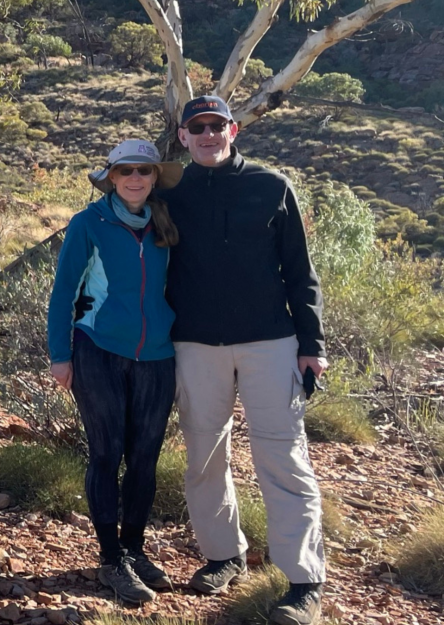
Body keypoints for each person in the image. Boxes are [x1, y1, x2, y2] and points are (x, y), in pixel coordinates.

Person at [159, 96, 328, 625]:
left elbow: (300, 272)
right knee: (203, 456)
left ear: (234, 130)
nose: (208, 134)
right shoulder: (169, 192)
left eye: (217, 125)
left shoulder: (271, 186)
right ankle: (223, 556)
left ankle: (304, 583)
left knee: (283, 456)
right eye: (197, 127)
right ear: (183, 137)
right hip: (194, 344)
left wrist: (312, 346)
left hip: (270, 342)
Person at [47, 139, 183, 605]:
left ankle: (134, 550)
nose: (135, 178)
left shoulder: (165, 222)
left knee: (145, 458)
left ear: (154, 176)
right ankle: (111, 559)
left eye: (144, 170)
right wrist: (60, 354)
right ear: (111, 177)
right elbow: (64, 290)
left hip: (158, 356)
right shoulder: (89, 222)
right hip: (98, 350)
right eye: (126, 171)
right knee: (106, 453)